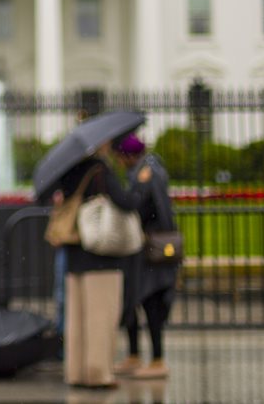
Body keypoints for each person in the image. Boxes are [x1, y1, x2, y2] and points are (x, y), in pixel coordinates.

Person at [56, 146, 143, 389]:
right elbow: (125, 202)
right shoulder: (100, 170)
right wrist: (137, 189)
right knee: (100, 318)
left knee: (77, 319)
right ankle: (98, 374)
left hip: (75, 256)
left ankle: (76, 372)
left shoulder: (69, 171)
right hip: (100, 255)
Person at [112, 132, 178, 380]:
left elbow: (154, 209)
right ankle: (134, 354)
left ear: (127, 155)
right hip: (140, 250)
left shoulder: (149, 172)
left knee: (151, 301)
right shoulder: (141, 171)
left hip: (151, 250)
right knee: (133, 300)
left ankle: (158, 359)